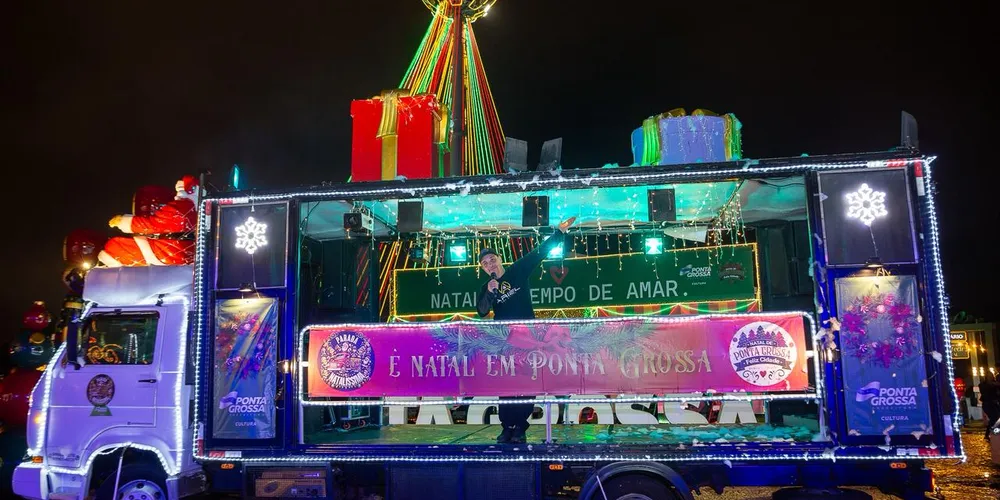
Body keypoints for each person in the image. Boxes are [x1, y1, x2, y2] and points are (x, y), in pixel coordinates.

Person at [477, 216, 576, 444]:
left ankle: (520, 427)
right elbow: (482, 311)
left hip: (529, 339)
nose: (490, 264)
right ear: (483, 269)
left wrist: (559, 233)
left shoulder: (516, 272)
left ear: (499, 259)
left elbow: (538, 254)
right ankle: (506, 426)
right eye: (485, 263)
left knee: (527, 382)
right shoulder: (486, 287)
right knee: (506, 384)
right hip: (506, 342)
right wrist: (491, 292)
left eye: (492, 259)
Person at [979, 371, 1000, 440]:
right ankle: (991, 433)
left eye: (991, 375)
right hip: (987, 404)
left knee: (995, 419)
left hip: (994, 403)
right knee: (994, 418)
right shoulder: (983, 385)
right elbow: (986, 389)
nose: (990, 377)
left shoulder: (994, 384)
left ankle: (990, 433)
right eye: (988, 375)